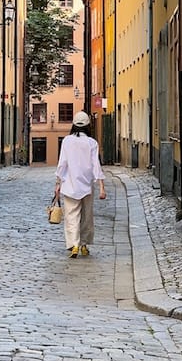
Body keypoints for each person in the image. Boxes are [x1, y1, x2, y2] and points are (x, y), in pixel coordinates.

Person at [54, 110, 106, 258]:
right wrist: (101, 186)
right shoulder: (92, 143)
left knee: (71, 216)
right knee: (87, 216)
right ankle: (83, 244)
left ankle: (74, 244)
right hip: (87, 185)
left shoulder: (67, 141)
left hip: (69, 185)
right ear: (88, 126)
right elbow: (96, 165)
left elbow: (62, 164)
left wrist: (58, 183)